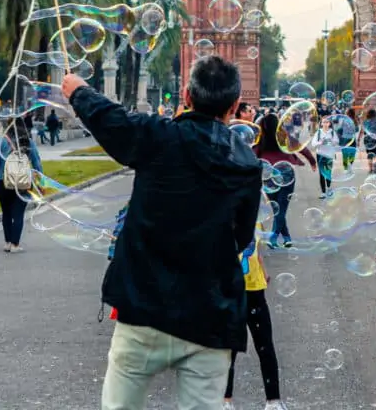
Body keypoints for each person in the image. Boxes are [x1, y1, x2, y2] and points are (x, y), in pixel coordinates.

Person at [62, 56, 264, 410]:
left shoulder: (158, 137)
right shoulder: (247, 164)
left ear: (186, 95)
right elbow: (243, 239)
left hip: (144, 308)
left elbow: (113, 121)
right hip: (210, 315)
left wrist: (78, 91)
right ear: (234, 106)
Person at [223, 223, 285, 410]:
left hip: (255, 292)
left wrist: (264, 273)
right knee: (228, 350)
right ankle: (226, 401)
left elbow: (257, 254)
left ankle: (273, 402)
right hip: (231, 293)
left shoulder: (255, 221)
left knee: (265, 346)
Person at [254, 113, 317, 248]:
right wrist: (312, 161)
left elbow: (252, 155)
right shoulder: (285, 137)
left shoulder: (261, 140)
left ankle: (280, 237)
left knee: (278, 209)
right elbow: (302, 148)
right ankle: (282, 237)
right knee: (281, 209)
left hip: (268, 175)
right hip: (286, 173)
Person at [0, 117, 43, 253]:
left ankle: (7, 242)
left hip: (3, 181)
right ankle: (15, 244)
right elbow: (36, 162)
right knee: (18, 214)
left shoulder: (1, 142)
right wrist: (40, 182)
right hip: (23, 183)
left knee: (6, 213)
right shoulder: (28, 142)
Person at [310, 117, 339, 199]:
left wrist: (331, 141)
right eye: (324, 122)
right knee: (321, 174)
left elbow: (336, 142)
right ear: (321, 123)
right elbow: (313, 144)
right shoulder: (318, 133)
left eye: (327, 122)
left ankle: (329, 189)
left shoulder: (332, 132)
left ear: (329, 123)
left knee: (328, 172)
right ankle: (323, 192)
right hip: (320, 155)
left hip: (329, 155)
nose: (325, 124)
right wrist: (320, 142)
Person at [362, 108, 376, 174]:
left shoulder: (365, 122)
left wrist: (359, 138)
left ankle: (370, 169)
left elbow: (362, 131)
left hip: (367, 139)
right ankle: (375, 163)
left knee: (369, 154)